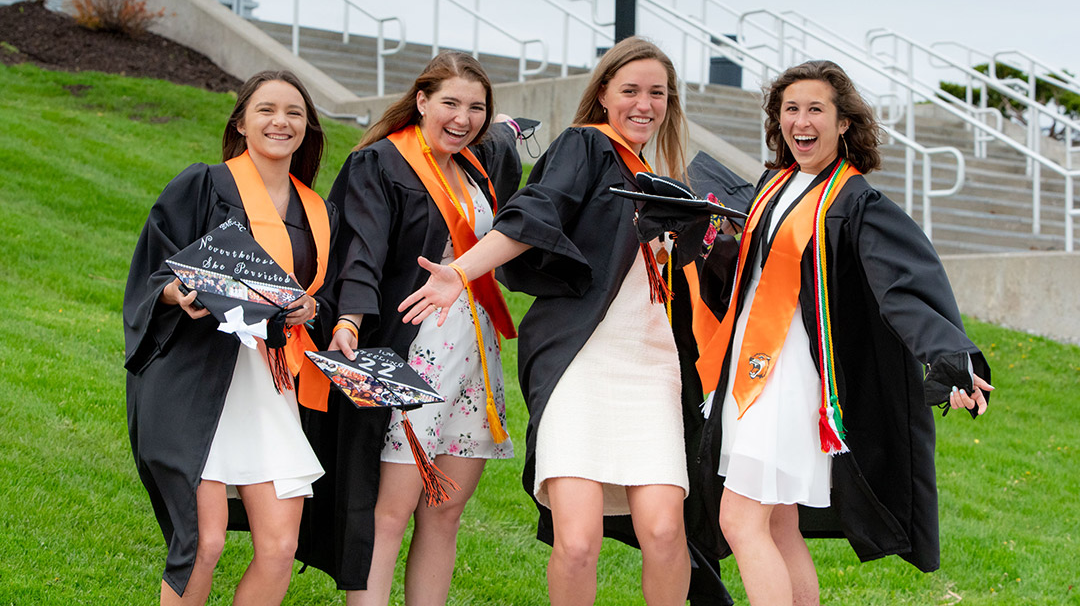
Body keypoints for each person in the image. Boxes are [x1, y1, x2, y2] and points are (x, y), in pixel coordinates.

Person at [401, 37, 715, 606]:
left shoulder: (662, 177)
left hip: (650, 368)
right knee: (577, 540)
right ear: (602, 95)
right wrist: (462, 272)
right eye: (630, 91)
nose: (644, 104)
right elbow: (536, 210)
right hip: (581, 363)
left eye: (657, 93)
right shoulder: (586, 146)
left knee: (667, 531)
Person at [690, 60, 994, 605]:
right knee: (778, 524)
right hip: (751, 367)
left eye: (815, 109)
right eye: (790, 110)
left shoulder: (854, 202)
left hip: (789, 378)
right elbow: (755, 275)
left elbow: (902, 285)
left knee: (740, 520)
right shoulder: (775, 183)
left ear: (843, 122)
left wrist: (950, 355)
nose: (801, 121)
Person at [299, 51, 521, 605]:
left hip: (474, 354)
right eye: (449, 102)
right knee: (389, 512)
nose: (463, 117)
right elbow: (361, 252)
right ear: (421, 101)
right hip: (412, 355)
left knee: (444, 513)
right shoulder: (381, 164)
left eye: (476, 107)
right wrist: (349, 319)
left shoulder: (477, 166)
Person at [123, 70, 336, 605]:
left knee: (281, 545)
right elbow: (155, 269)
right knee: (205, 541)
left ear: (308, 127)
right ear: (241, 122)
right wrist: (177, 293)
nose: (280, 121)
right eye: (266, 109)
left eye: (293, 112)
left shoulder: (319, 211)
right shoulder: (205, 185)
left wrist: (313, 307)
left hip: (271, 386)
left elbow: (320, 295)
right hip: (199, 379)